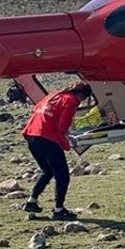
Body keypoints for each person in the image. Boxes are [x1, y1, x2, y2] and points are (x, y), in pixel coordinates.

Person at [22, 81, 93, 220]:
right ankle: (59, 210)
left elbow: (38, 109)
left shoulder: (54, 95)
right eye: (83, 99)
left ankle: (31, 202)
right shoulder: (71, 101)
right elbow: (62, 126)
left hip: (31, 135)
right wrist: (67, 142)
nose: (81, 102)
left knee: (48, 171)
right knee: (62, 175)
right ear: (81, 95)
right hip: (47, 138)